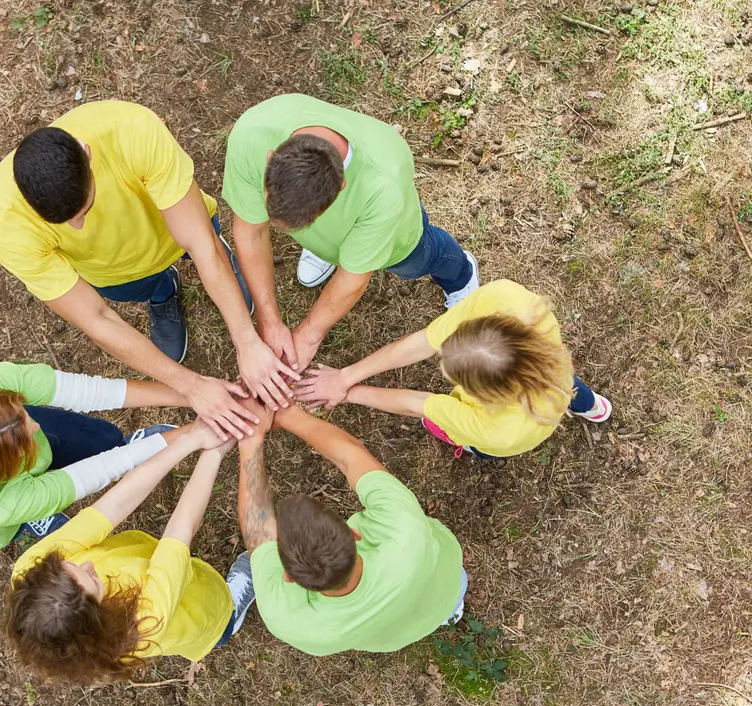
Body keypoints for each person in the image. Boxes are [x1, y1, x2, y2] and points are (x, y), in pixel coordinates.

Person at [0, 101, 298, 440]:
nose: (78, 228)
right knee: (147, 286)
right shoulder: (6, 227)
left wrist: (247, 340)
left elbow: (200, 245)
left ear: (87, 154)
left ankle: (222, 276)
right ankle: (163, 292)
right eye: (64, 222)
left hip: (176, 234)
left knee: (213, 251)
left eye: (85, 209)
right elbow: (97, 318)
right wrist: (190, 386)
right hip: (116, 274)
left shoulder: (131, 130)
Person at [223, 93, 481, 373]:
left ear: (341, 188)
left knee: (419, 259)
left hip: (398, 236)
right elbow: (251, 233)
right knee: (339, 246)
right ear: (271, 158)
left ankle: (461, 274)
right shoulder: (251, 134)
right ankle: (328, 249)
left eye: (308, 222)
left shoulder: (383, 188)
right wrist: (270, 320)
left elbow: (353, 278)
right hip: (346, 219)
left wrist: (309, 335)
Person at [1, 421, 255, 684]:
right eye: (94, 584)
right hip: (199, 613)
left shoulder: (32, 567)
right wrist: (213, 453)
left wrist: (192, 439)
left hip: (148, 559)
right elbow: (179, 533)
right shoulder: (142, 628)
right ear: (98, 621)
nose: (88, 564)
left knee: (180, 566)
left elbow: (116, 502)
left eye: (71, 567)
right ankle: (232, 613)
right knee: (218, 616)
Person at [236, 400, 465, 656]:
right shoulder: (404, 530)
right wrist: (288, 414)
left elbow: (257, 530)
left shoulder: (287, 620)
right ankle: (451, 608)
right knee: (450, 591)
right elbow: (351, 457)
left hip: (386, 636)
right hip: (444, 582)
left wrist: (250, 441)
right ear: (354, 534)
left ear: (288, 577)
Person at [294, 279, 612, 459]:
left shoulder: (494, 429)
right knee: (570, 386)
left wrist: (349, 392)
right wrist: (345, 376)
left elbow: (419, 405)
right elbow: (424, 342)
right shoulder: (513, 303)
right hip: (559, 380)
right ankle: (593, 406)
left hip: (501, 442)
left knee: (442, 427)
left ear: (492, 395)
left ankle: (463, 445)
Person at [0, 361, 192, 553]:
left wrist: (191, 393)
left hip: (1, 457)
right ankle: (32, 518)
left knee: (104, 439)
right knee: (24, 512)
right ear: (5, 474)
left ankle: (123, 447)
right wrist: (190, 434)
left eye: (20, 411)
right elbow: (95, 472)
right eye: (26, 443)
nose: (35, 426)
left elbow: (90, 392)